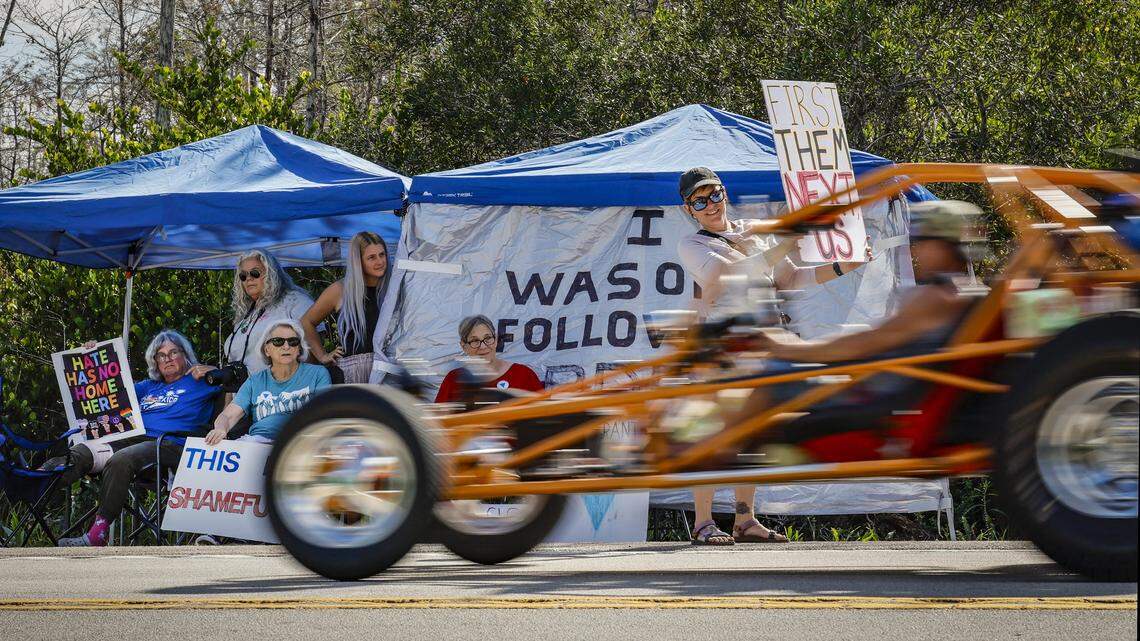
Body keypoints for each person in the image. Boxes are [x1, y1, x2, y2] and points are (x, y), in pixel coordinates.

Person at [674, 167, 875, 546]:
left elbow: (793, 278)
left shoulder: (753, 228)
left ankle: (744, 521)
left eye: (714, 195)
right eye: (699, 201)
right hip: (719, 348)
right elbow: (726, 275)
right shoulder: (693, 244)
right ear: (690, 209)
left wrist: (845, 265)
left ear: (724, 193)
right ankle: (702, 522)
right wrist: (783, 239)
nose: (710, 206)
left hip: (759, 346)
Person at [50, 330, 219, 547]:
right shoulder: (147, 387)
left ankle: (97, 535)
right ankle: (32, 484)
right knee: (79, 454)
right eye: (161, 355)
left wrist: (214, 371)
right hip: (134, 441)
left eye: (173, 352)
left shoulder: (202, 381)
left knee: (122, 458)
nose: (167, 359)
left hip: (170, 445)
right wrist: (90, 357)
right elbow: (108, 387)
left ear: (185, 355)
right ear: (154, 361)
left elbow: (239, 382)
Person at [207, 319, 332, 445]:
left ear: (299, 348)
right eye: (278, 341)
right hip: (258, 443)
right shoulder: (254, 382)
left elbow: (324, 413)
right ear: (267, 350)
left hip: (299, 444)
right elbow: (228, 416)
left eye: (293, 341)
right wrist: (220, 429)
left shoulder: (317, 374)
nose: (286, 346)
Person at [300, 232, 391, 383]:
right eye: (371, 257)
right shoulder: (340, 290)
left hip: (388, 372)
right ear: (358, 261)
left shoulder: (393, 287)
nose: (380, 261)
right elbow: (306, 322)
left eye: (382, 255)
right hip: (351, 375)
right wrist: (322, 356)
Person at [222, 249, 316, 377]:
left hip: (284, 391)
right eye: (243, 276)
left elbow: (313, 351)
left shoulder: (295, 301)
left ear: (272, 273)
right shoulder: (246, 314)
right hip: (244, 394)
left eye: (255, 273)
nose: (248, 278)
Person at [434, 315, 543, 403]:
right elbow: (439, 422)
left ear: (495, 340)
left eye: (487, 338)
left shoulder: (523, 374)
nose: (483, 346)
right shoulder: (454, 379)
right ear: (464, 346)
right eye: (474, 341)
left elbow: (543, 414)